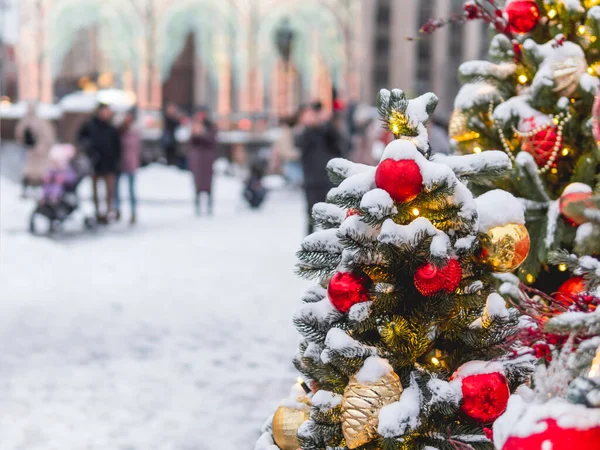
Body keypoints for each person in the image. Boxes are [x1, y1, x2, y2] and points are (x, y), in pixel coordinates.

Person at [295, 102, 343, 235]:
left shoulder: (327, 131)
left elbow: (338, 146)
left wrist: (326, 124)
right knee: (311, 215)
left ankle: (333, 243)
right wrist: (309, 126)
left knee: (331, 215)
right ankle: (310, 245)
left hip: (327, 180)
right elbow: (300, 143)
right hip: (311, 181)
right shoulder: (305, 133)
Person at [77, 103, 121, 223]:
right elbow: (81, 139)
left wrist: (116, 162)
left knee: (109, 191)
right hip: (95, 163)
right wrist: (89, 152)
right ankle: (98, 212)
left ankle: (108, 212)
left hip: (109, 164)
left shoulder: (111, 127)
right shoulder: (90, 125)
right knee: (96, 191)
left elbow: (117, 146)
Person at [15, 100, 56, 197]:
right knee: (31, 172)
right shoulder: (26, 122)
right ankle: (30, 190)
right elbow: (20, 136)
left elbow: (48, 136)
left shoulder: (38, 122)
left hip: (38, 152)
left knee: (39, 172)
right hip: (32, 152)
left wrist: (42, 147)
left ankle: (40, 191)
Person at [186, 108, 218, 215]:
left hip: (207, 160)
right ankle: (198, 206)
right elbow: (191, 143)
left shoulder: (210, 127)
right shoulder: (194, 127)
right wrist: (195, 134)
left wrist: (203, 134)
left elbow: (212, 141)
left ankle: (209, 206)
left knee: (208, 184)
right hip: (197, 160)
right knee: (197, 183)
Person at [115, 108, 141, 224]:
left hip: (131, 163)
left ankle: (133, 212)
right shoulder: (120, 129)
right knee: (117, 189)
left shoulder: (136, 131)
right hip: (120, 162)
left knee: (131, 189)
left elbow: (138, 148)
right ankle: (117, 210)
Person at [270, 115, 302, 185]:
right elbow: (280, 151)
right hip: (290, 161)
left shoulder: (283, 133)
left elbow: (277, 151)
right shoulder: (287, 133)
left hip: (288, 161)